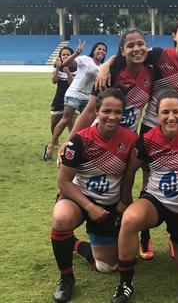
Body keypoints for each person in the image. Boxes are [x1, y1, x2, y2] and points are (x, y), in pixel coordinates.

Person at [95, 20, 178, 261]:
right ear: (173, 35)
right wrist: (106, 64)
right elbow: (129, 54)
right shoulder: (158, 55)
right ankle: (144, 235)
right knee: (148, 183)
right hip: (151, 127)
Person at [111, 90, 178, 303]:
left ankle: (177, 241)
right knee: (130, 219)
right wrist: (126, 199)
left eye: (176, 112)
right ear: (156, 114)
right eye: (165, 112)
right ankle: (125, 282)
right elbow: (130, 172)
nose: (171, 117)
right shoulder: (146, 140)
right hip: (155, 201)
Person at [50, 88, 137, 303]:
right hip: (78, 199)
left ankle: (74, 244)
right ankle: (66, 279)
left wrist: (125, 202)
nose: (112, 116)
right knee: (62, 219)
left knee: (107, 266)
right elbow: (63, 182)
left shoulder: (130, 139)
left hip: (109, 206)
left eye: (118, 112)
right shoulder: (79, 141)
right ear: (96, 111)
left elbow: (128, 176)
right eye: (107, 110)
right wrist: (89, 207)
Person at [45, 40, 107, 160]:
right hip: (74, 93)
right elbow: (66, 64)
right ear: (94, 50)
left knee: (86, 124)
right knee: (66, 119)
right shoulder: (84, 59)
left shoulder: (102, 68)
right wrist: (76, 53)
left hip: (87, 97)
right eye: (99, 49)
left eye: (104, 50)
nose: (101, 51)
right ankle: (51, 145)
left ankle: (79, 149)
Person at [44, 47, 77, 160]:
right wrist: (58, 68)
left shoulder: (76, 68)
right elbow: (54, 81)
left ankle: (72, 145)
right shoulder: (58, 67)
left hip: (72, 99)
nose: (65, 56)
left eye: (68, 54)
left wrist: (68, 73)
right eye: (63, 55)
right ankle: (55, 140)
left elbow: (72, 84)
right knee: (54, 123)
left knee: (72, 123)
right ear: (60, 56)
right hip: (59, 99)